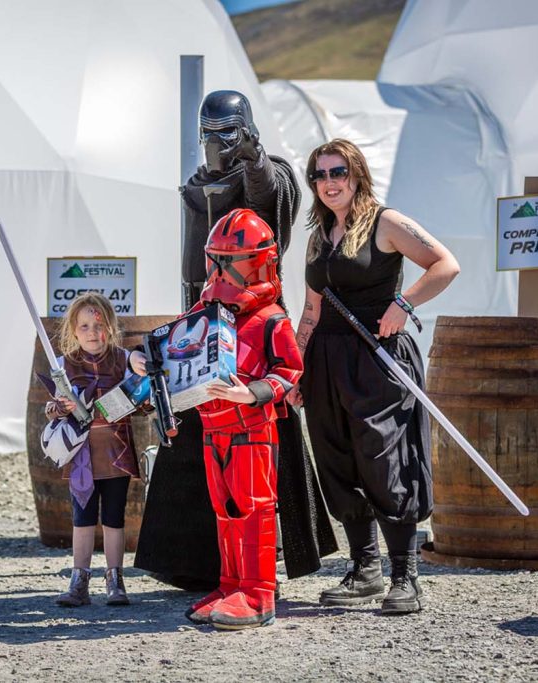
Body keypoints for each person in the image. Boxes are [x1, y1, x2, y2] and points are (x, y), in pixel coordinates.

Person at [134, 89, 337, 591]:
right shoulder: (201, 183)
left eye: (224, 134)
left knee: (263, 457)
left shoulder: (271, 174)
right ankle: (197, 565)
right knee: (197, 448)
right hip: (200, 326)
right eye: (209, 135)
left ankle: (261, 572)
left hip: (251, 325)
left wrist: (253, 157)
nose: (215, 145)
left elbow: (271, 202)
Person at [288, 138, 460, 615]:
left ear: (357, 173)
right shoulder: (318, 236)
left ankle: (405, 577)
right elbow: (311, 309)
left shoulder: (386, 222)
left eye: (337, 171)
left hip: (379, 357)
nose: (328, 183)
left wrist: (403, 305)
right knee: (338, 461)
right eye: (319, 175)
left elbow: (445, 264)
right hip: (326, 360)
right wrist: (297, 369)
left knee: (385, 459)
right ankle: (365, 570)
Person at [183, 208, 301, 629]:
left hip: (251, 430)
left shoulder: (271, 320)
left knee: (254, 510)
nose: (219, 274)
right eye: (215, 262)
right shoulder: (207, 314)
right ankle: (231, 584)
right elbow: (177, 345)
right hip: (212, 427)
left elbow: (289, 372)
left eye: (228, 262)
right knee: (224, 510)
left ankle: (257, 593)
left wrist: (249, 392)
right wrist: (147, 359)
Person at [46, 292, 148, 607]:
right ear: (74, 331)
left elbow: (139, 376)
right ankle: (79, 581)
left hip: (115, 452)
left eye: (99, 325)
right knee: (83, 518)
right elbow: (54, 406)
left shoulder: (122, 358)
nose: (93, 333)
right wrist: (56, 409)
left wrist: (141, 377)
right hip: (81, 457)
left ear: (111, 327)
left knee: (114, 518)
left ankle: (115, 580)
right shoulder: (63, 365)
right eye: (85, 326)